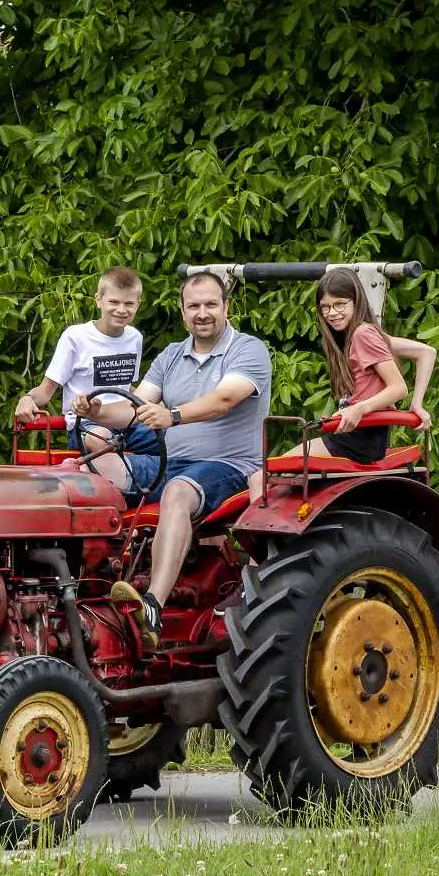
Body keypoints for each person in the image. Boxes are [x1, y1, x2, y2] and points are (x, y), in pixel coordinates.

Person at [117, 269, 273, 637]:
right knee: (94, 472)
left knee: (178, 491)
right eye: (194, 306)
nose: (202, 313)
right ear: (183, 311)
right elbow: (134, 407)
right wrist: (94, 412)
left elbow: (224, 400)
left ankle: (152, 603)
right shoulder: (172, 355)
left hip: (228, 466)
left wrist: (171, 417)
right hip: (171, 464)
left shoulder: (247, 349)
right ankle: (83, 588)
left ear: (226, 307)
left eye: (210, 305)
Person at [14, 266, 160, 497]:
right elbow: (46, 390)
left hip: (127, 419)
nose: (121, 310)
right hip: (88, 423)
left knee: (173, 438)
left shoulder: (134, 337)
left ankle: (157, 491)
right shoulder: (76, 337)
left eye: (129, 304)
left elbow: (128, 388)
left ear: (138, 305)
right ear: (98, 300)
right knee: (101, 439)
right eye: (113, 302)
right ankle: (116, 498)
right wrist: (27, 400)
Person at [282, 267, 434, 464]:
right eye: (325, 307)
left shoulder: (363, 334)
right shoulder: (366, 334)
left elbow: (398, 388)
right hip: (364, 436)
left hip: (360, 437)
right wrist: (417, 404)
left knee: (267, 474)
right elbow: (426, 352)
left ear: (356, 301)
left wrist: (359, 409)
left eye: (340, 304)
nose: (332, 313)